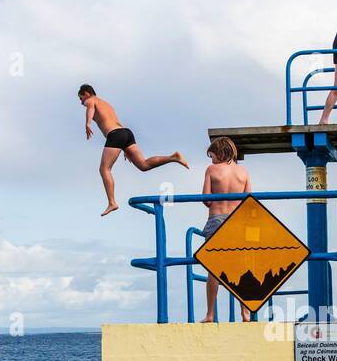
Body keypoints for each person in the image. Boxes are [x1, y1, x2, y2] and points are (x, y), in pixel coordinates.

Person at [79, 85, 189, 216]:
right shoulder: (107, 104)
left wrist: (88, 123)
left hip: (115, 135)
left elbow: (90, 108)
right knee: (143, 164)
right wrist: (125, 147)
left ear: (86, 93)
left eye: (81, 98)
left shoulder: (91, 100)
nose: (81, 103)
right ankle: (173, 157)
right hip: (126, 133)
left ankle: (112, 202)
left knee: (104, 169)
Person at [200, 136, 253, 322]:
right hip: (238, 222)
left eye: (211, 155)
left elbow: (206, 200)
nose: (211, 160)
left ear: (219, 153)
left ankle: (210, 314)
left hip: (217, 219)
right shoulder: (243, 172)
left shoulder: (211, 170)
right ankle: (246, 313)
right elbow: (249, 201)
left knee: (214, 269)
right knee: (242, 268)